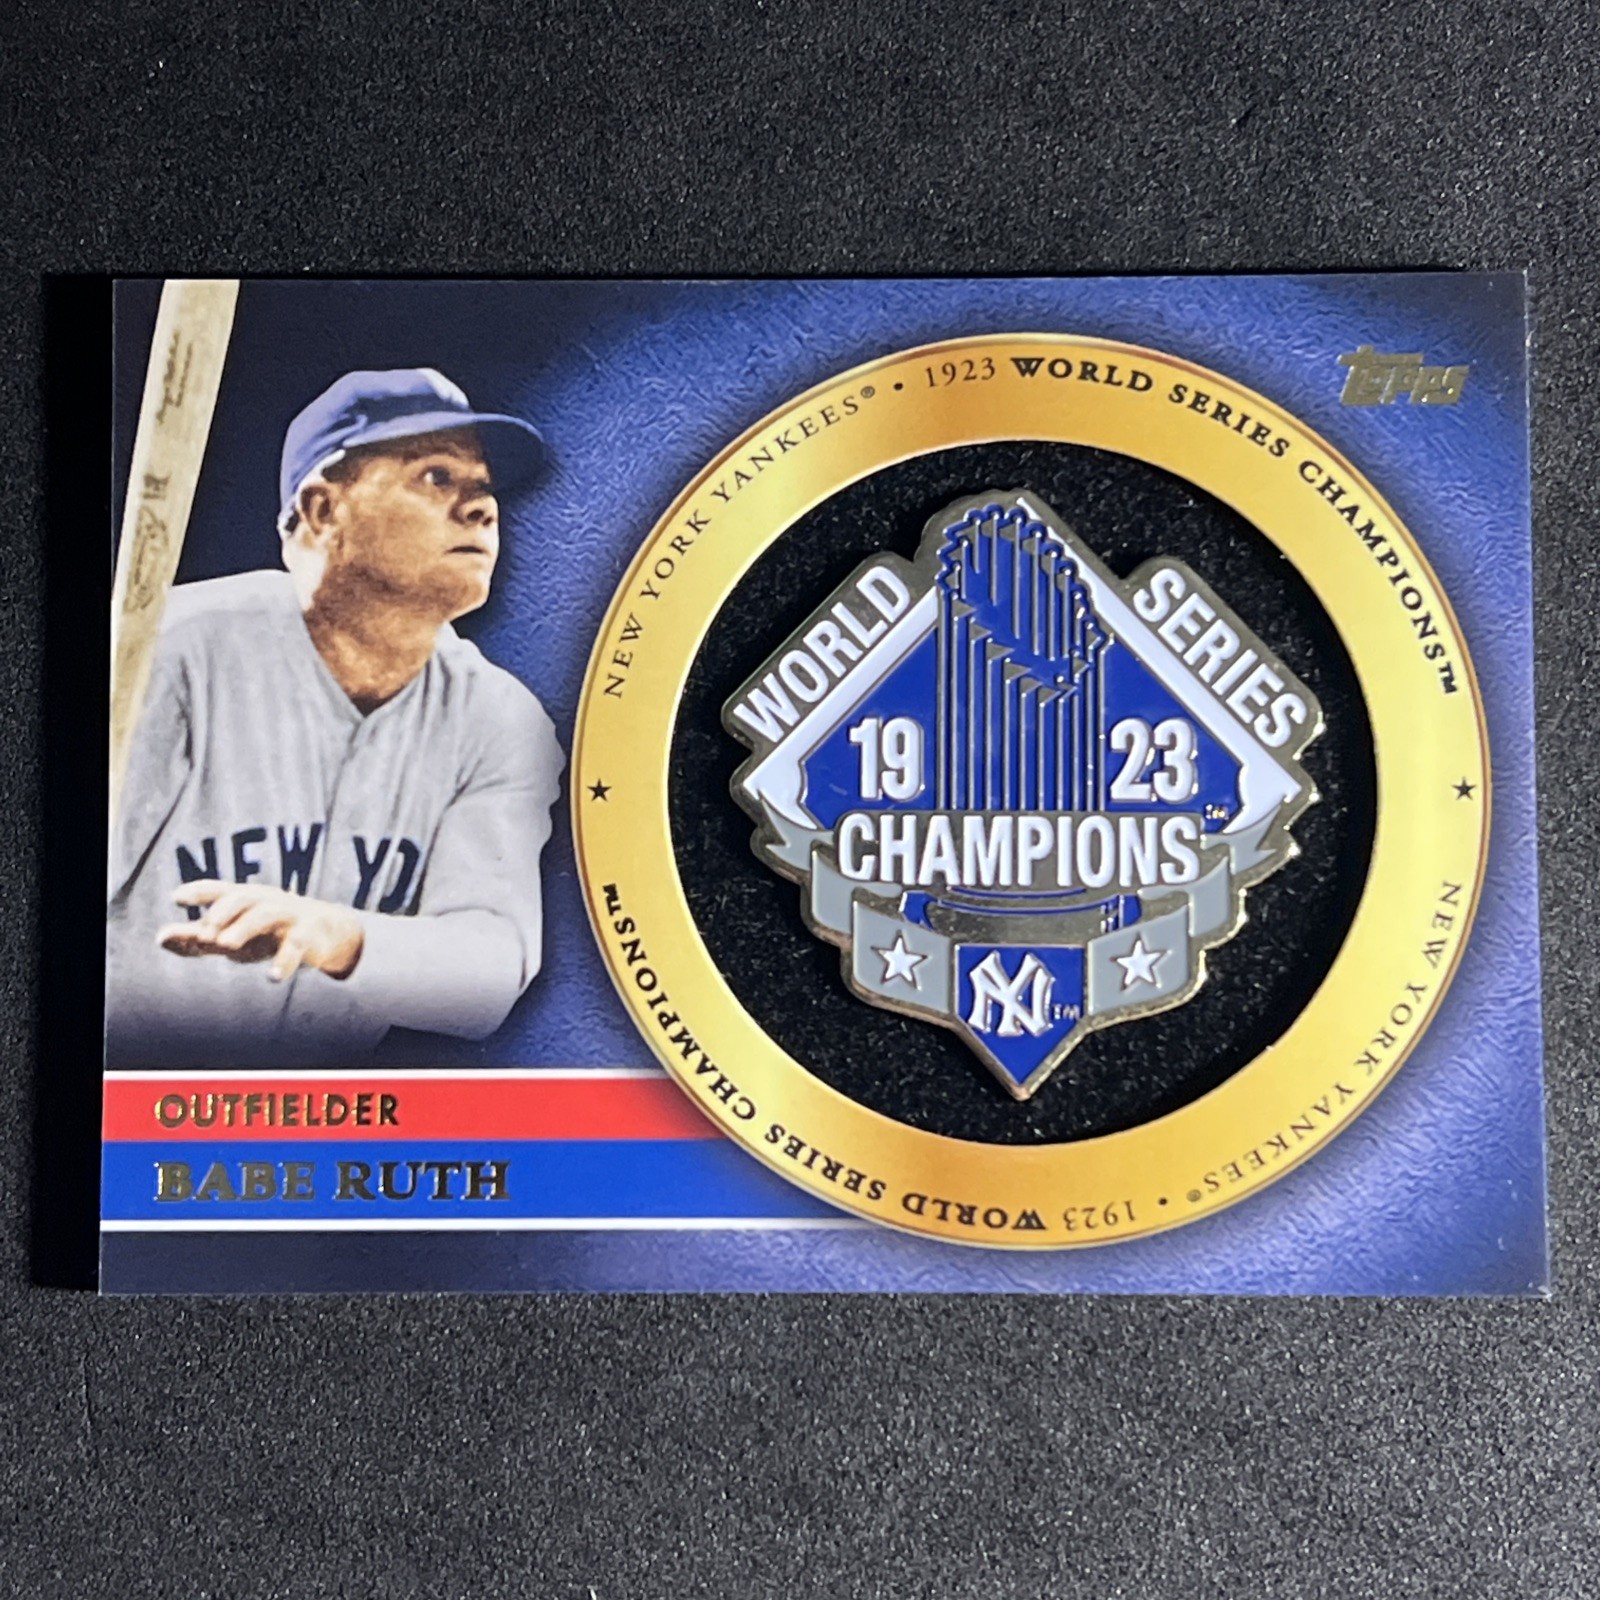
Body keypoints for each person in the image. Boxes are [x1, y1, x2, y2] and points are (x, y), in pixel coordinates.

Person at [105, 367, 565, 1065]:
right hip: (126, 1095)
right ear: (322, 510)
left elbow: (491, 971)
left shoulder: (500, 719)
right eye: (437, 476)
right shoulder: (172, 652)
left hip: (322, 1109)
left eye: (484, 486)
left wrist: (346, 939)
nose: (480, 508)